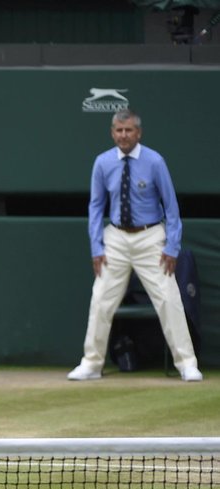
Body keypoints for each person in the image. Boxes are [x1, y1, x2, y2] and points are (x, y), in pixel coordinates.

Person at [68, 109, 203, 382]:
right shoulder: (103, 163)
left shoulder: (154, 161)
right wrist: (97, 247)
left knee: (168, 298)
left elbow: (172, 207)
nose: (123, 135)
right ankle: (92, 363)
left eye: (128, 130)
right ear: (112, 132)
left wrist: (171, 247)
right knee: (101, 298)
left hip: (150, 235)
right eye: (118, 130)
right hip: (115, 237)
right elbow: (95, 208)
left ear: (138, 133)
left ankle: (187, 363)